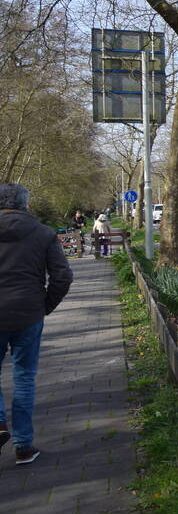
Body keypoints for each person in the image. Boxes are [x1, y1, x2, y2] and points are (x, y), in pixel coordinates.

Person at [0, 183, 74, 465]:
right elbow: (62, 276)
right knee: (24, 377)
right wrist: (45, 306)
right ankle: (23, 446)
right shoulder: (43, 233)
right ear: (25, 204)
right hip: (28, 313)